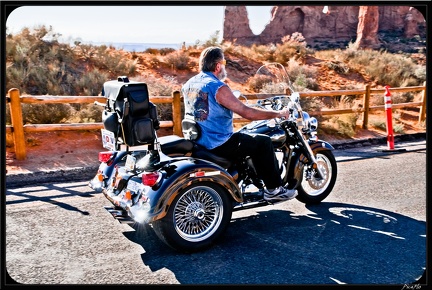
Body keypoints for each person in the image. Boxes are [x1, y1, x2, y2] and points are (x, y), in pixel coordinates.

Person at [181, 46, 297, 202]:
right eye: (224, 62)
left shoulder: (189, 83)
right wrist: (278, 113)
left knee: (247, 139)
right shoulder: (217, 87)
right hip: (218, 142)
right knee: (263, 142)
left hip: (198, 140)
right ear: (217, 66)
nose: (224, 66)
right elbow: (247, 113)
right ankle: (273, 189)